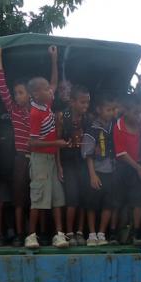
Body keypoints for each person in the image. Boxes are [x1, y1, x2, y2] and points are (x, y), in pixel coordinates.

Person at [25, 47, 71, 249]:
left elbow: (53, 81)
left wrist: (54, 59)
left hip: (52, 159)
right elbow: (32, 143)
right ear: (35, 94)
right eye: (45, 89)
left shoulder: (47, 104)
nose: (50, 90)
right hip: (40, 160)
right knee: (39, 198)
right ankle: (30, 236)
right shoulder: (35, 113)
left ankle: (59, 235)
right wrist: (56, 143)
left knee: (57, 197)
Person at [0, 46, 31, 247]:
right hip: (20, 159)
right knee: (18, 199)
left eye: (21, 92)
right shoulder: (14, 110)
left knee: (37, 199)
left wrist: (54, 61)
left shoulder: (38, 111)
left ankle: (35, 233)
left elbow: (52, 85)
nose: (17, 96)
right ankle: (18, 234)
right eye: (15, 93)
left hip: (39, 159)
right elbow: (2, 88)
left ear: (30, 94)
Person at [110, 93, 141, 244]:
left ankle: (137, 234)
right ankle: (112, 234)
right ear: (126, 111)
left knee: (138, 202)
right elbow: (121, 153)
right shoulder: (119, 126)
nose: (139, 116)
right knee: (117, 202)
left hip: (138, 167)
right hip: (123, 168)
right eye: (136, 112)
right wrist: (138, 168)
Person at [57, 85, 90, 246]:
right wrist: (59, 165)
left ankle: (79, 232)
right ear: (72, 102)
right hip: (67, 161)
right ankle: (69, 232)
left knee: (83, 197)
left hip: (83, 161)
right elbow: (56, 143)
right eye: (82, 102)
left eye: (87, 103)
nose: (85, 106)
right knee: (72, 197)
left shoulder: (88, 119)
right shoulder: (62, 116)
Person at [81, 94, 115, 246]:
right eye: (108, 109)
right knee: (92, 204)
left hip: (111, 172)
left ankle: (102, 234)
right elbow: (87, 154)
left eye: (113, 109)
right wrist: (92, 175)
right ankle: (92, 234)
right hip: (97, 172)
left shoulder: (114, 127)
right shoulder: (92, 129)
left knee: (108, 203)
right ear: (99, 110)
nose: (111, 112)